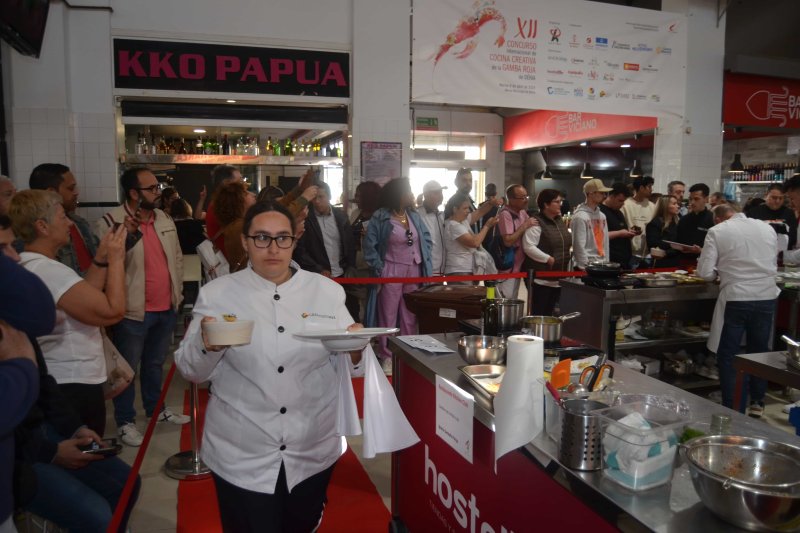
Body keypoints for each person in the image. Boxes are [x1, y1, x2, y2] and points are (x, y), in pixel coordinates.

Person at [174, 201, 363, 533]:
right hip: (241, 450)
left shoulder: (326, 292)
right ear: (245, 241)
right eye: (261, 238)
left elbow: (352, 364)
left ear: (295, 240)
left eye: (282, 238)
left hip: (312, 446)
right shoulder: (219, 293)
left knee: (301, 525)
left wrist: (357, 351)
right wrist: (208, 345)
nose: (273, 248)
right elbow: (192, 371)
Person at [1, 248, 139, 533]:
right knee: (97, 516)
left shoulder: (10, 311)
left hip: (41, 434)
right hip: (19, 459)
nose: (15, 257)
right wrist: (51, 452)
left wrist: (76, 428)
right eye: (3, 248)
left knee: (127, 483)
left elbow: (43, 383)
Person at [11, 190, 127, 435]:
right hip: (72, 381)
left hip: (61, 377)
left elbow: (85, 298)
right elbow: (112, 312)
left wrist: (101, 258)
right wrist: (117, 258)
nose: (70, 223)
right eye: (63, 217)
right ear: (42, 226)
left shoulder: (32, 264)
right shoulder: (48, 270)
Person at [94, 167, 188, 447]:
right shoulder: (111, 221)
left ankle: (156, 411)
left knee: (155, 364)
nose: (157, 193)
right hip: (132, 311)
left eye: (158, 187)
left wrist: (178, 294)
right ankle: (125, 422)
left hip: (165, 306)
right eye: (151, 189)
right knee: (127, 370)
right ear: (133, 193)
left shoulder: (164, 218)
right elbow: (107, 266)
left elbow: (177, 258)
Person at [696, 203, 780, 417]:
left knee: (729, 355)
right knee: (758, 352)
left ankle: (733, 407)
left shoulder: (717, 231)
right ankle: (758, 402)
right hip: (766, 295)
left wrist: (718, 273)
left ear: (718, 219)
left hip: (737, 296)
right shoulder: (766, 227)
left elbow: (705, 272)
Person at [363, 178, 432, 372]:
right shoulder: (381, 216)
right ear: (399, 195)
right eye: (408, 191)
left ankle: (409, 352)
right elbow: (370, 246)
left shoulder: (413, 215)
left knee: (410, 315)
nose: (412, 195)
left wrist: (425, 258)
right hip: (391, 271)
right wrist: (379, 267)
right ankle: (387, 355)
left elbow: (425, 237)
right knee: (388, 315)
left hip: (414, 269)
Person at [294, 181, 360, 320]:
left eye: (321, 197)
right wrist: (318, 268)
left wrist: (350, 266)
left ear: (329, 197)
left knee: (347, 314)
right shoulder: (306, 218)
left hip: (341, 274)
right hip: (318, 275)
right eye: (314, 198)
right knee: (320, 315)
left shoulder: (340, 216)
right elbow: (301, 250)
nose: (317, 202)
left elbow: (349, 244)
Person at [29, 163, 99, 277]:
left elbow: (101, 255)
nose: (76, 192)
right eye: (71, 188)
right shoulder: (35, 234)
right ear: (51, 192)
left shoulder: (79, 223)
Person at [522, 189, 572, 316]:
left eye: (561, 201)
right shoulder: (536, 222)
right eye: (557, 201)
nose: (560, 204)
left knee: (551, 314)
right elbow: (528, 246)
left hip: (559, 276)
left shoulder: (559, 220)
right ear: (546, 204)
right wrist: (547, 258)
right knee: (539, 313)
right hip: (542, 279)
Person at [442, 191, 498, 277]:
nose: (468, 211)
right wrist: (487, 226)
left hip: (467, 269)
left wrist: (490, 203)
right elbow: (474, 242)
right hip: (459, 270)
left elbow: (479, 212)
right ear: (455, 209)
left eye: (468, 208)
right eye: (465, 208)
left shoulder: (462, 221)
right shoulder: (453, 225)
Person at [497, 184, 537, 298]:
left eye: (526, 197)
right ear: (512, 199)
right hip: (507, 267)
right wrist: (524, 226)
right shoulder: (505, 214)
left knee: (513, 298)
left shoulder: (522, 213)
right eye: (522, 198)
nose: (526, 200)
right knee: (506, 299)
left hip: (518, 266)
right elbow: (508, 241)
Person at [215, 181, 257, 272]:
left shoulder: (234, 226)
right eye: (246, 193)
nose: (253, 194)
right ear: (238, 200)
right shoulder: (240, 227)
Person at [571, 178, 611, 270]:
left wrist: (606, 262)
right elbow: (578, 245)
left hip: (601, 264)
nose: (604, 195)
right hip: (586, 266)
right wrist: (584, 266)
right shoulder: (580, 216)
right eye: (601, 192)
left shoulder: (602, 216)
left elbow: (605, 242)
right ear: (591, 193)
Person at [747, 183, 798, 250]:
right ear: (766, 195)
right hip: (759, 251)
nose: (777, 201)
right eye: (774, 198)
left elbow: (793, 237)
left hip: (783, 253)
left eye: (781, 198)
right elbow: (748, 236)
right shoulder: (753, 213)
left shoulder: (789, 213)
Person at [599, 182, 636, 268]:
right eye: (620, 200)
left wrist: (628, 233)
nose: (622, 204)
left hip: (623, 260)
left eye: (624, 201)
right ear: (611, 196)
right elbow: (598, 236)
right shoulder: (600, 212)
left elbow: (621, 231)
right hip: (610, 260)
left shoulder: (619, 213)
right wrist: (620, 233)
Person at [621, 176, 656, 266]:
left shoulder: (652, 206)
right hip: (630, 253)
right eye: (649, 186)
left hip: (648, 253)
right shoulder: (625, 204)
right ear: (641, 188)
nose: (651, 189)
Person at [676, 183, 713, 257]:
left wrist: (701, 250)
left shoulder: (713, 219)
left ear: (706, 199)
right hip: (683, 261)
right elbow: (678, 241)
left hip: (704, 262)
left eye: (696, 199)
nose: (692, 202)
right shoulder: (683, 220)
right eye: (690, 199)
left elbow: (718, 248)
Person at [418, 180, 447, 275]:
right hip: (426, 270)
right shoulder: (417, 215)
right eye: (436, 193)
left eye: (441, 192)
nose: (441, 196)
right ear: (426, 195)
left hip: (442, 270)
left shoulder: (442, 215)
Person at [646, 196, 682, 268]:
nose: (678, 206)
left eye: (677, 203)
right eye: (674, 204)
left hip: (677, 263)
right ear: (665, 206)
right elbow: (654, 246)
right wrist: (672, 247)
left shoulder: (678, 223)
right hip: (661, 263)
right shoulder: (655, 224)